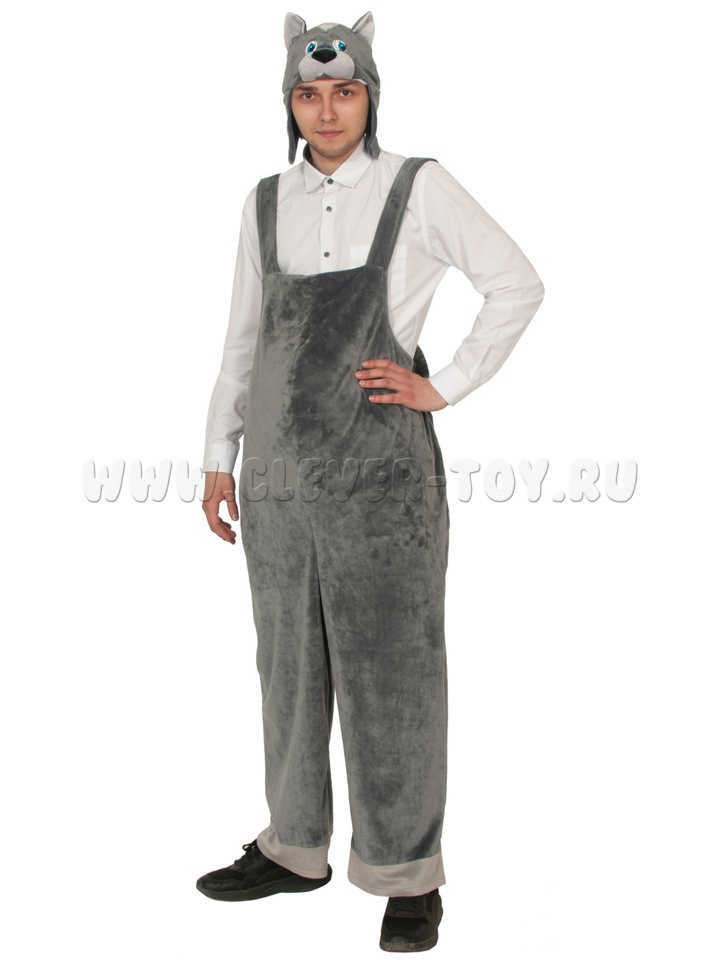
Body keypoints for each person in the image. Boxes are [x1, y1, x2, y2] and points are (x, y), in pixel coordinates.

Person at [197, 11, 544, 953]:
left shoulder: (415, 187)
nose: (326, 110)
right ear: (289, 103)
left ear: (370, 96)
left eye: (344, 91)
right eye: (308, 95)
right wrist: (219, 456)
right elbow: (241, 341)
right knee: (287, 668)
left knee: (394, 671)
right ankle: (294, 847)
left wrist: (447, 384)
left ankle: (406, 873)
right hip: (276, 479)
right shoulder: (263, 202)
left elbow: (517, 283)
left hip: (381, 482)